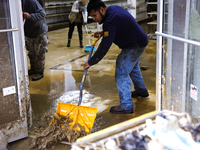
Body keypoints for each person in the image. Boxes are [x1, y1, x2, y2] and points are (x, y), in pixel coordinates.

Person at [84, 0, 149, 114]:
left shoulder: (109, 22)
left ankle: (126, 105)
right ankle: (141, 91)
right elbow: (116, 27)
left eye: (94, 15)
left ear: (102, 10)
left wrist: (91, 61)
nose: (94, 19)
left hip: (134, 45)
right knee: (133, 68)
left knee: (121, 70)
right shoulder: (113, 9)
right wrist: (104, 32)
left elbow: (104, 47)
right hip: (140, 40)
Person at [22, 0, 49, 81]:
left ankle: (39, 72)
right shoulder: (16, 5)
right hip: (29, 32)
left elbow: (42, 14)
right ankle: (33, 69)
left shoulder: (31, 2)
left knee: (39, 53)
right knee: (31, 52)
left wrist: (30, 16)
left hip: (39, 31)